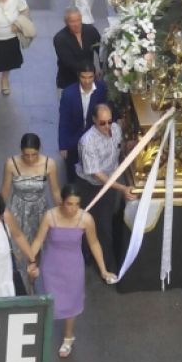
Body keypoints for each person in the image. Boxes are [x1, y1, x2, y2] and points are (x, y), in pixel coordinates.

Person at [30, 185, 117, 359]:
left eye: (77, 204)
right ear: (62, 202)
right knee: (49, 300)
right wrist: (32, 261)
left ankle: (68, 337)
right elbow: (38, 240)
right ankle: (44, 334)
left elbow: (94, 244)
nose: (73, 208)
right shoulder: (50, 216)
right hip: (51, 266)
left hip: (73, 267)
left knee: (71, 302)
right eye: (69, 203)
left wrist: (104, 270)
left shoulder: (86, 219)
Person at [75, 103, 134, 273]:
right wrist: (121, 188)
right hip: (89, 185)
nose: (107, 126)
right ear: (94, 120)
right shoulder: (87, 142)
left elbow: (119, 148)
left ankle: (107, 263)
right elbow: (96, 174)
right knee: (88, 222)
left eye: (109, 121)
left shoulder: (116, 129)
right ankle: (91, 257)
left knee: (104, 224)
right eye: (102, 123)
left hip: (109, 182)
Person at [1, 133, 61, 254]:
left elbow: (55, 191)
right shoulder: (11, 163)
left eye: (34, 155)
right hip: (17, 209)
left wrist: (61, 214)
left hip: (39, 210)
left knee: (37, 244)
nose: (30, 159)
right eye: (26, 155)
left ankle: (33, 269)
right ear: (21, 151)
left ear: (39, 150)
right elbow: (5, 190)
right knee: (17, 245)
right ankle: (20, 271)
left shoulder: (49, 164)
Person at [58, 64, 108, 182]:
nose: (87, 81)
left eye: (90, 77)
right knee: (72, 170)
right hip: (74, 137)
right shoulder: (68, 93)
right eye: (83, 77)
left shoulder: (101, 89)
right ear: (78, 76)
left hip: (94, 135)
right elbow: (64, 119)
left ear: (94, 76)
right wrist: (63, 145)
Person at [53, 7, 101, 89]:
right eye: (72, 22)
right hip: (69, 81)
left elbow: (100, 49)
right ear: (66, 22)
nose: (76, 24)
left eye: (78, 20)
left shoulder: (91, 31)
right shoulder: (60, 38)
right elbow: (68, 62)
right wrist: (89, 71)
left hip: (89, 79)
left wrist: (102, 67)